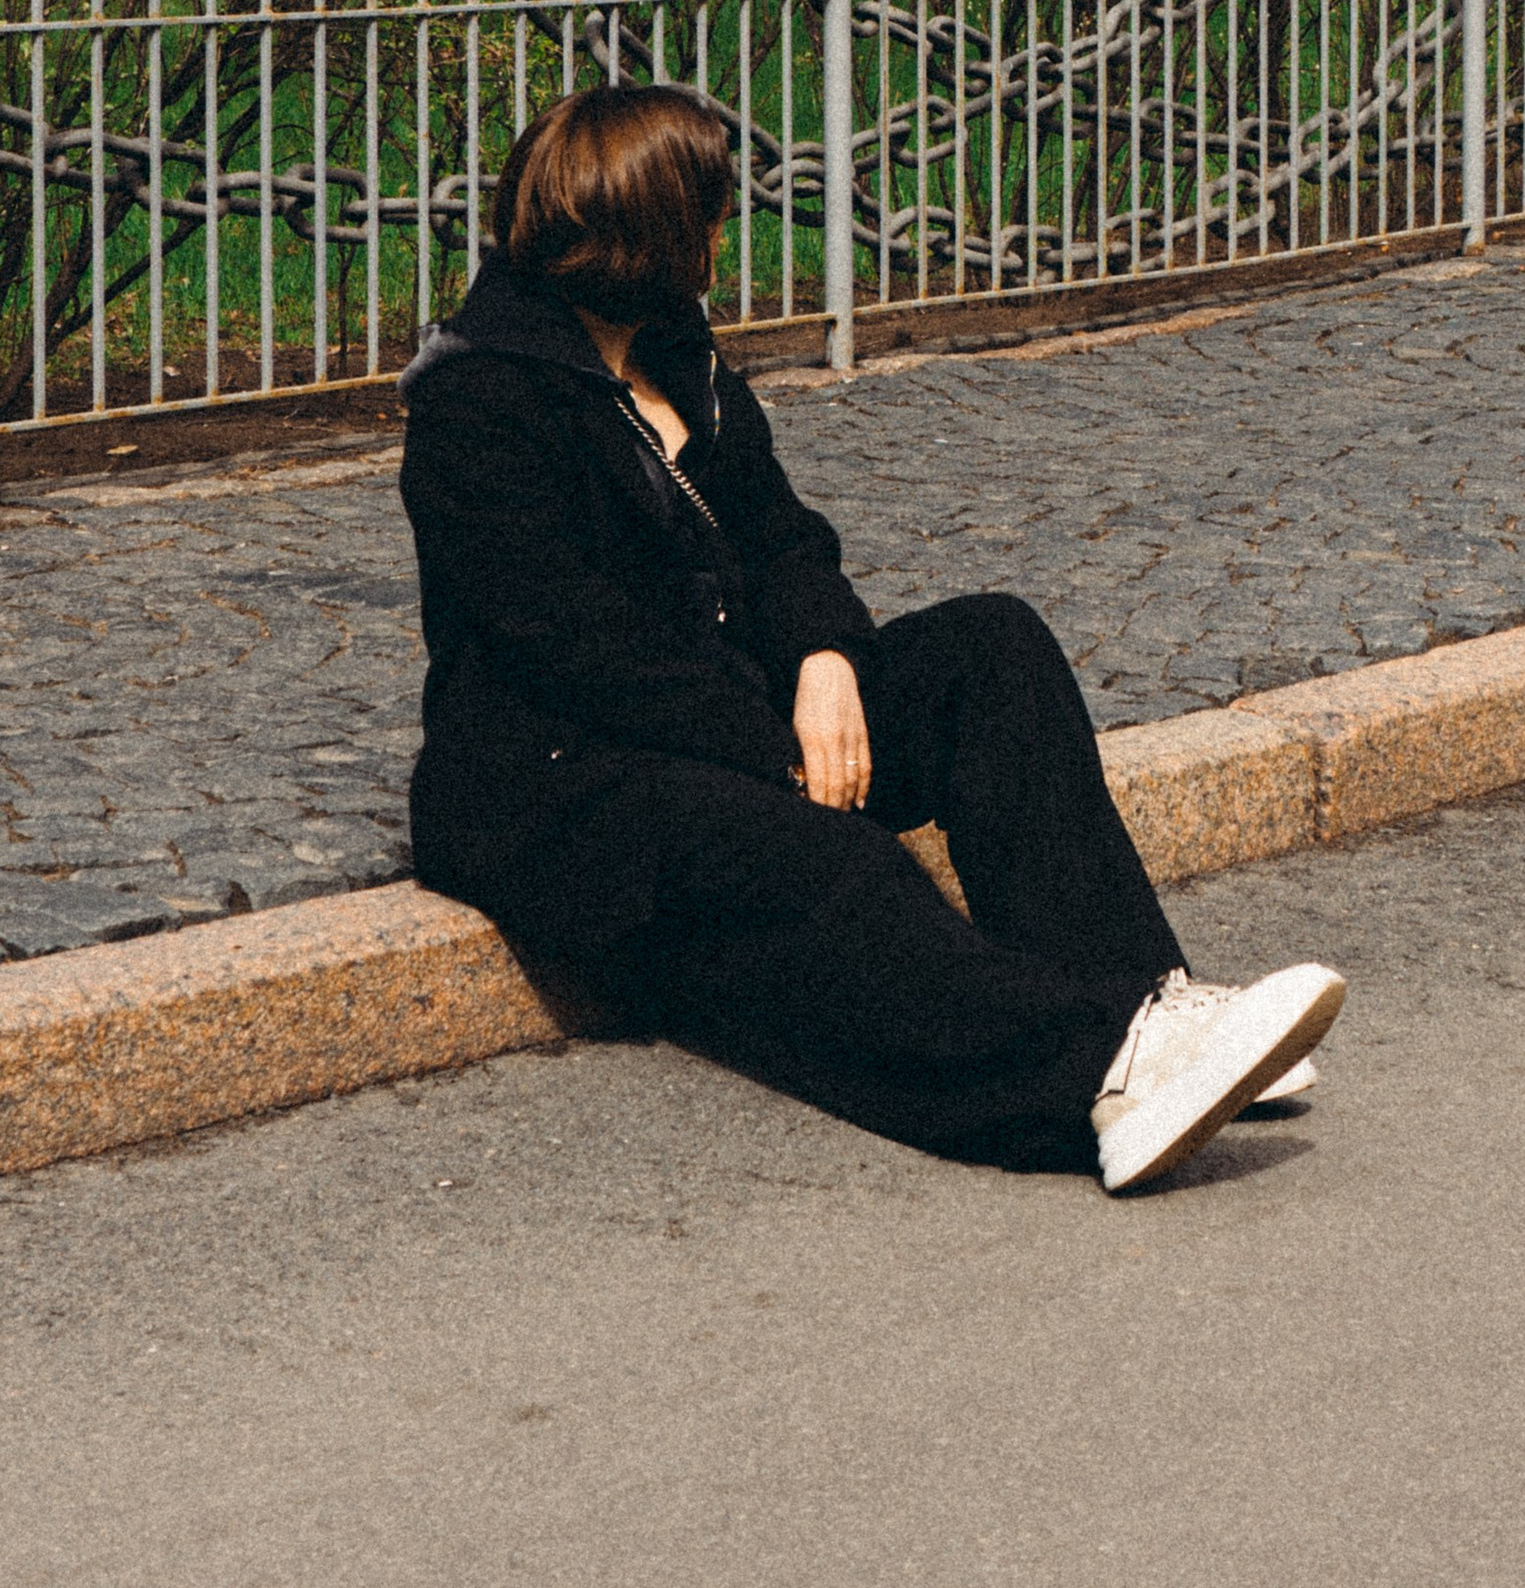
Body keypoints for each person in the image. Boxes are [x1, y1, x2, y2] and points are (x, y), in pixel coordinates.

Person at [397, 83, 1345, 1192]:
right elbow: (577, 650)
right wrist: (780, 747)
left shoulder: (676, 360)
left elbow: (786, 540)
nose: (722, 235)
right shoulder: (481, 404)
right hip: (560, 784)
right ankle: (1095, 1077)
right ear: (649, 228)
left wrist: (826, 665)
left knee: (990, 650)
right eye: (709, 210)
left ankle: (1144, 1006)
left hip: (733, 720)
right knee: (834, 861)